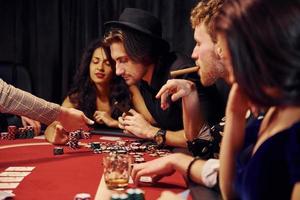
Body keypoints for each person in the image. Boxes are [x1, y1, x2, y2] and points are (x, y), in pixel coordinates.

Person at [132, 0, 229, 189]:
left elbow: (240, 182)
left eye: (199, 43)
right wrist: (190, 98)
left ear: (222, 45)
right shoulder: (241, 97)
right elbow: (204, 148)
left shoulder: (264, 103)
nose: (193, 53)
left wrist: (178, 161)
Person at [214, 0, 300, 199]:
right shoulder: (275, 109)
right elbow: (230, 192)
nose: (233, 78)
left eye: (231, 62)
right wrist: (234, 114)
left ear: (257, 58)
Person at [103, 8, 223, 148]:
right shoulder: (142, 79)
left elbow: (205, 138)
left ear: (142, 52)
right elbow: (169, 123)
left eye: (123, 60)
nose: (117, 71)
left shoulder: (182, 72)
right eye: (115, 61)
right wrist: (137, 124)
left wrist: (150, 131)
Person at [45, 38, 132, 144]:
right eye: (95, 61)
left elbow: (150, 123)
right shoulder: (78, 96)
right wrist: (54, 135)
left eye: (107, 63)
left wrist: (114, 123)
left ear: (115, 67)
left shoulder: (129, 90)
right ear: (88, 65)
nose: (100, 67)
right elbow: (52, 126)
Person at [0, 78, 94, 132]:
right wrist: (63, 116)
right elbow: (5, 95)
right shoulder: (75, 97)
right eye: (95, 61)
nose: (100, 67)